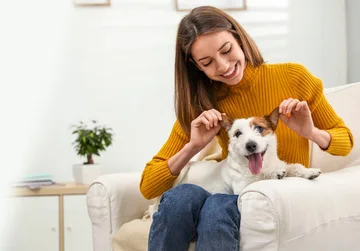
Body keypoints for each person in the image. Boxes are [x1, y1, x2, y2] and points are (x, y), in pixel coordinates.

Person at [140, 5, 354, 251]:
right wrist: (193, 146)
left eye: (226, 50)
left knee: (217, 207)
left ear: (239, 38)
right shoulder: (201, 105)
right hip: (229, 184)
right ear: (196, 66)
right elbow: (149, 186)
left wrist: (311, 133)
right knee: (180, 199)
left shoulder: (294, 77)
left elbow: (345, 142)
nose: (222, 66)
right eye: (207, 62)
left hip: (275, 191)